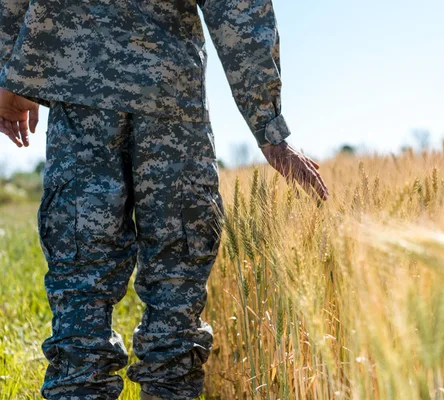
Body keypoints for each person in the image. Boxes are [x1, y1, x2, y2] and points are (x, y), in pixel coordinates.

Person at [0, 0, 329, 399]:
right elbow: (239, 8)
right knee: (176, 290)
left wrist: (13, 71)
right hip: (170, 93)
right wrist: (268, 124)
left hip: (81, 88)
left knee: (80, 290)